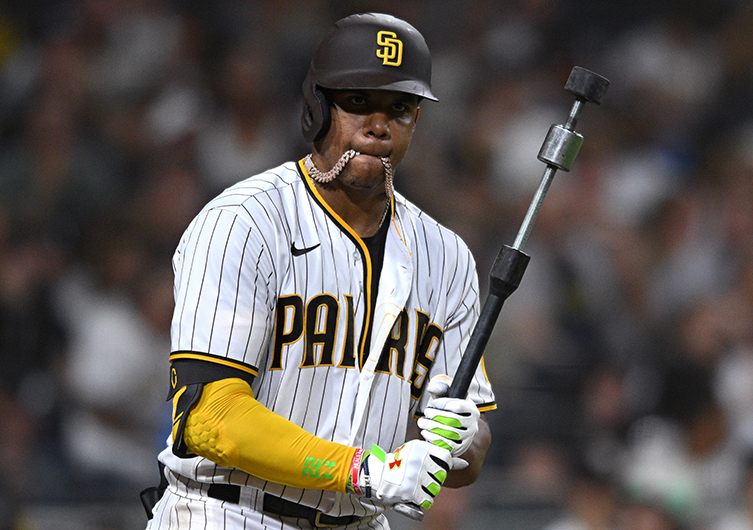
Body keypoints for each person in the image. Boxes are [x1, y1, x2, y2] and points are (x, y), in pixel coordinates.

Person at [142, 12, 495, 530]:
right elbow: (209, 418)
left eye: (399, 108)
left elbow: (471, 453)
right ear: (317, 108)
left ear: (416, 120)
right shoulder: (245, 222)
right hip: (226, 512)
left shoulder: (447, 256)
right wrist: (361, 471)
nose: (378, 125)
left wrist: (464, 440)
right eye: (358, 103)